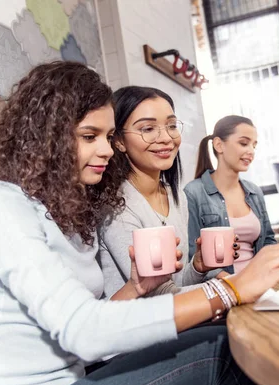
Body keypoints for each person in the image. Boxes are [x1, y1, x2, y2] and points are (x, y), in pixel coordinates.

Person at [0, 61, 279, 385]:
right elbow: (84, 332)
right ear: (46, 137)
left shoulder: (68, 211)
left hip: (72, 382)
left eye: (107, 137)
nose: (107, 150)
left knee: (232, 341)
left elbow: (86, 328)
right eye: (89, 136)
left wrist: (135, 288)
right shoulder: (1, 205)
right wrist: (228, 290)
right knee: (219, 350)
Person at [99, 86, 230, 297]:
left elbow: (174, 284)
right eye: (148, 129)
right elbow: (158, 294)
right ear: (119, 141)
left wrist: (197, 267)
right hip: (139, 325)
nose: (166, 138)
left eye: (171, 125)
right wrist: (237, 285)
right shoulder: (116, 206)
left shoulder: (176, 196)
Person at [185, 116, 279, 274]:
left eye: (254, 146)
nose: (251, 151)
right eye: (243, 143)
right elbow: (193, 258)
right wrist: (234, 283)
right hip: (223, 289)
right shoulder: (193, 192)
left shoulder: (254, 192)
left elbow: (268, 240)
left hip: (262, 281)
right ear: (219, 145)